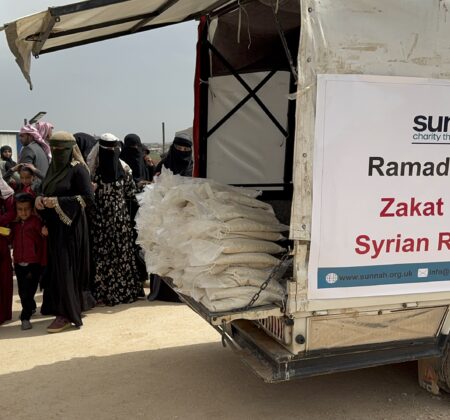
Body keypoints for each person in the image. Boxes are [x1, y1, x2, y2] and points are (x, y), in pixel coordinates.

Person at [37, 131, 95, 333]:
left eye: (60, 149)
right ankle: (59, 307)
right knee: (56, 270)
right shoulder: (53, 167)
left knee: (66, 270)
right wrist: (40, 199)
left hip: (71, 228)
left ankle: (67, 315)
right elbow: (46, 189)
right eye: (53, 148)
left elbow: (88, 198)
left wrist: (57, 202)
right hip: (54, 227)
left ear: (70, 150)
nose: (57, 152)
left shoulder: (78, 169)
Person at [89, 133, 142, 306]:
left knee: (121, 255)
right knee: (103, 255)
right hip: (102, 221)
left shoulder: (124, 170)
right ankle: (104, 293)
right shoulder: (92, 172)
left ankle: (122, 291)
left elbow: (131, 194)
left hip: (118, 222)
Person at [11, 193, 46, 330]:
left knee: (29, 291)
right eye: (20, 209)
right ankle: (30, 307)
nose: (23, 212)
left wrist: (44, 232)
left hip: (33, 263)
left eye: (26, 209)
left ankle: (25, 317)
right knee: (22, 291)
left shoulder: (36, 222)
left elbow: (43, 238)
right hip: (18, 262)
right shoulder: (14, 224)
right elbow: (10, 239)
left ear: (32, 209)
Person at [0, 172, 15, 325]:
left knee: (3, 276)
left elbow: (12, 212)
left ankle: (3, 313)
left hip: (1, 239)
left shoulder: (6, 192)